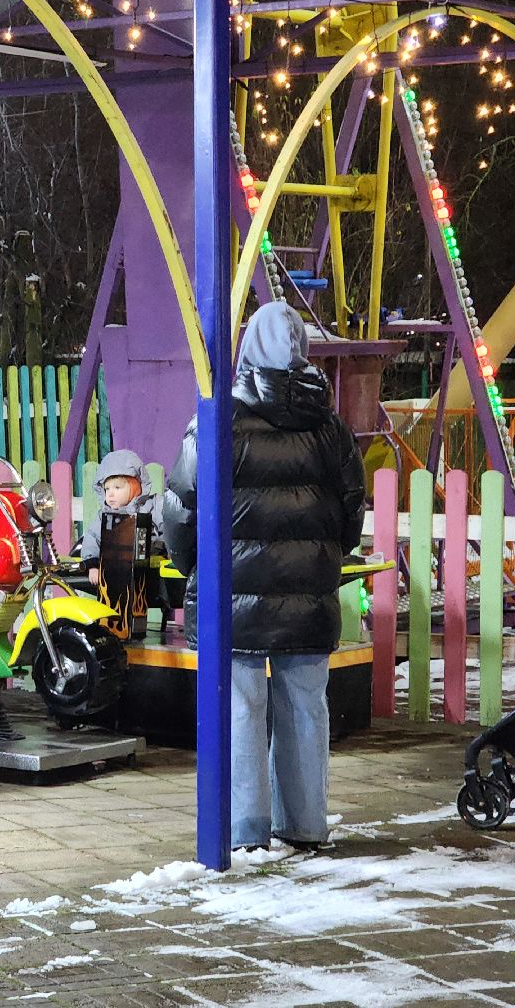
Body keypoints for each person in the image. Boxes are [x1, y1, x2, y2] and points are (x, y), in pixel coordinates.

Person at [163, 300, 366, 851]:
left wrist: (195, 569)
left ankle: (246, 829)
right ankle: (305, 823)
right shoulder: (332, 428)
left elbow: (182, 509)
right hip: (309, 596)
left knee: (240, 707)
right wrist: (316, 560)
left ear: (248, 347)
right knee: (306, 708)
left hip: (234, 597)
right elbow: (352, 516)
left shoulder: (217, 420)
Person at [80, 449, 165, 585]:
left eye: (117, 488)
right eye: (107, 489)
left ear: (134, 487)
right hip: (116, 573)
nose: (110, 494)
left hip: (151, 570)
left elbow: (170, 524)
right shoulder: (104, 517)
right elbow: (92, 538)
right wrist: (92, 566)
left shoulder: (150, 506)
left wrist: (167, 548)